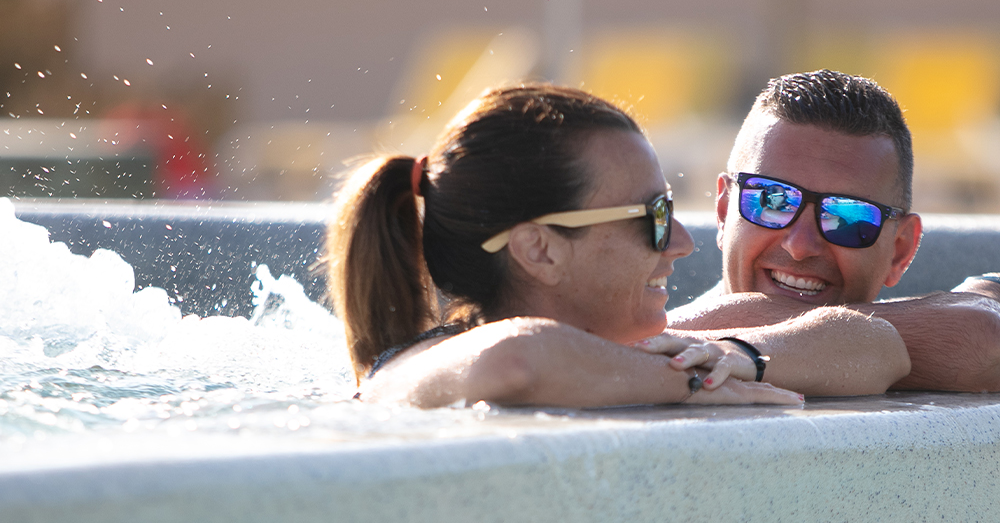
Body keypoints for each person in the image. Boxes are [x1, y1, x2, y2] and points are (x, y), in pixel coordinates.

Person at [324, 84, 908, 408]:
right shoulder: (409, 373)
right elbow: (521, 358)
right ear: (539, 250)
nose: (680, 242)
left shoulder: (626, 353)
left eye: (673, 211)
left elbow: (875, 344)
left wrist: (739, 359)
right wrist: (689, 383)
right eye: (652, 217)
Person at [668, 70, 1000, 392]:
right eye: (771, 200)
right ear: (723, 209)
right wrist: (975, 325)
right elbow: (984, 341)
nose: (800, 243)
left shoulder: (911, 321)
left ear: (900, 249)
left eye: (848, 218)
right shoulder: (667, 338)